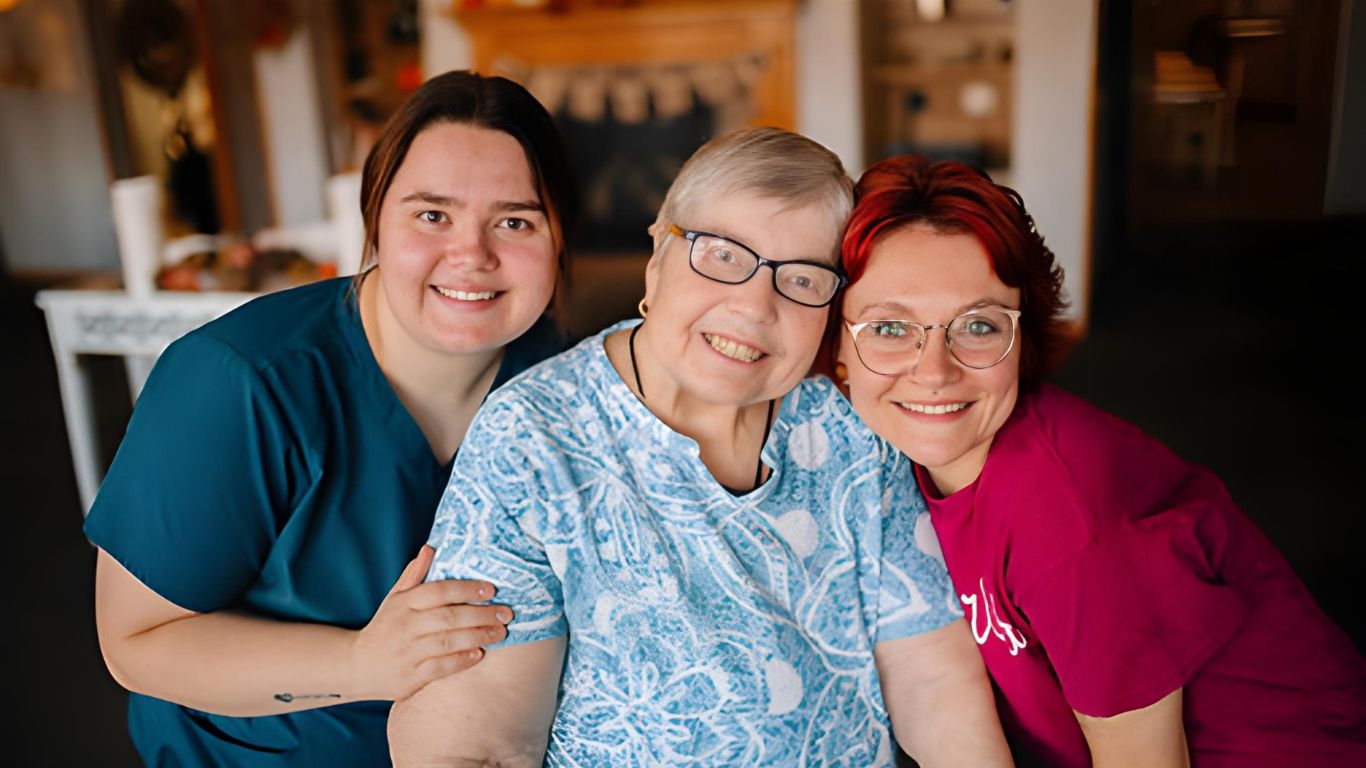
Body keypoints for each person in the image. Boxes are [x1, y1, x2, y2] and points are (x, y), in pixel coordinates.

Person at [388, 128, 1013, 766]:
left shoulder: (849, 424)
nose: (753, 305)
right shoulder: (535, 439)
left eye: (801, 278)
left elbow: (931, 677)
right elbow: (479, 746)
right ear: (658, 258)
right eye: (721, 255)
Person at [86, 70, 576, 766]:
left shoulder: (558, 378)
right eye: (431, 214)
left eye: (515, 220)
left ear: (559, 238)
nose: (472, 255)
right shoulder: (237, 382)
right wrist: (358, 663)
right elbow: (136, 644)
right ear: (375, 219)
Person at [828, 154, 1366, 767]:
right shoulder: (910, 465)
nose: (934, 372)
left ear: (1023, 338)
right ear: (838, 345)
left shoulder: (1069, 528)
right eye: (890, 329)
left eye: (977, 325)